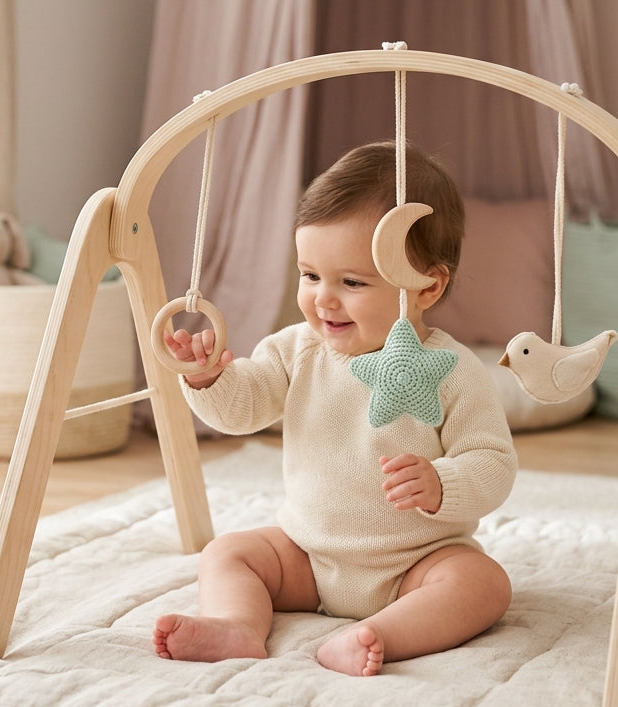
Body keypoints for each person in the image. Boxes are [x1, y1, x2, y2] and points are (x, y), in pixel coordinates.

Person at [152, 141, 517, 677]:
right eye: (310, 275)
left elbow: (493, 462)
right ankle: (237, 625)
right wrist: (208, 379)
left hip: (416, 562)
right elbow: (242, 409)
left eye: (351, 282)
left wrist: (442, 483)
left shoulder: (453, 370)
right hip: (307, 555)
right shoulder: (295, 349)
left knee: (483, 584)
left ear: (427, 287)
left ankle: (381, 634)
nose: (323, 298)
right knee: (226, 553)